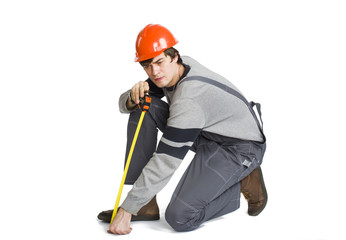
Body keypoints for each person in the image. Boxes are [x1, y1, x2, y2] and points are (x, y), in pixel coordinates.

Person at [98, 24, 268, 235]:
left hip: (239, 148)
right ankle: (146, 203)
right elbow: (124, 104)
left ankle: (238, 180)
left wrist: (126, 209)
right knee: (144, 106)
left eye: (159, 62)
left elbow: (165, 161)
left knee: (180, 218)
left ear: (174, 56)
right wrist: (133, 96)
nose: (154, 72)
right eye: (147, 66)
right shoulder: (172, 71)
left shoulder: (189, 99)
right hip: (208, 132)